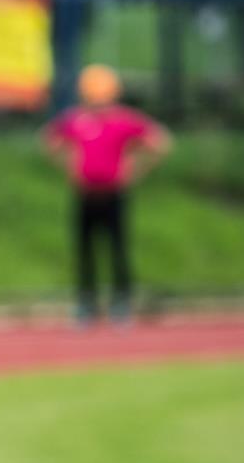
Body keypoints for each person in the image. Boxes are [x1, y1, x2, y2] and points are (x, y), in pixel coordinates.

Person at [43, 64, 173, 325]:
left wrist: (135, 168)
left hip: (114, 193)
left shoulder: (124, 120)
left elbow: (161, 142)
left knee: (117, 249)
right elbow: (49, 141)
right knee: (85, 251)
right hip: (86, 193)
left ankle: (121, 303)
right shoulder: (76, 120)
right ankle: (86, 304)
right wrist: (71, 164)